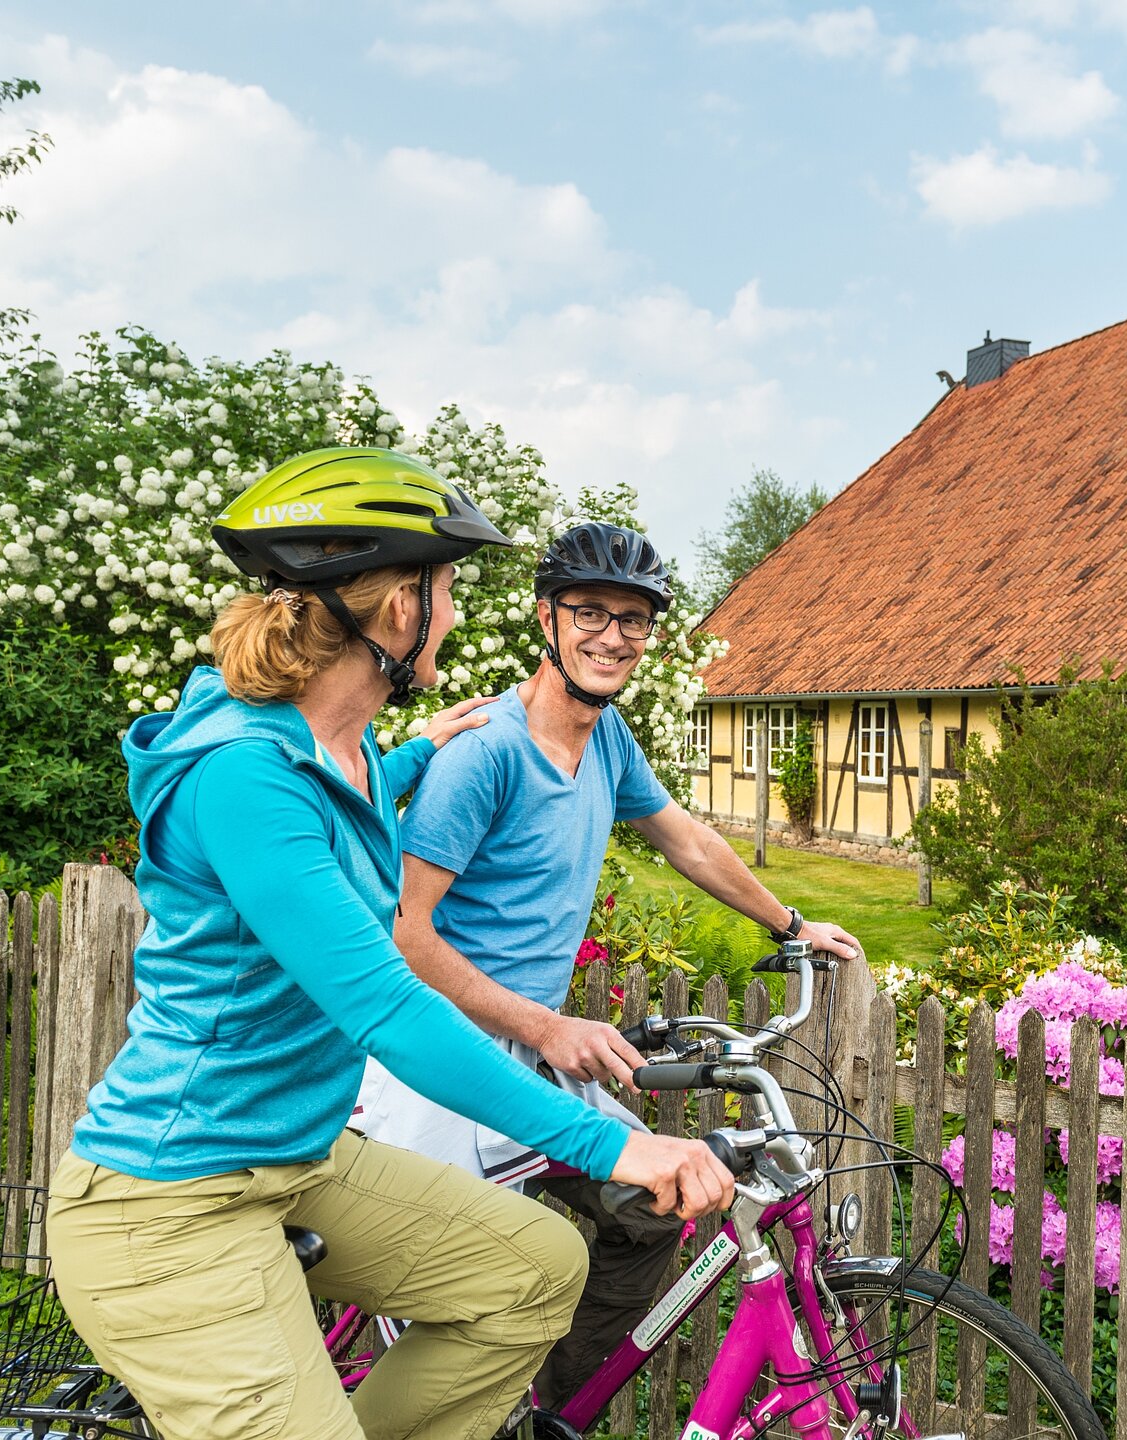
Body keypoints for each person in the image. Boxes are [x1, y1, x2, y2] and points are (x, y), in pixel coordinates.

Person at [45, 449, 735, 1440]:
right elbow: (385, 1005)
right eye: (446, 589)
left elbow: (339, 796)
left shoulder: (349, 749)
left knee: (537, 1270)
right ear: (395, 610)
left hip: (296, 1153)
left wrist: (415, 753)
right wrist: (615, 1142)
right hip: (169, 1199)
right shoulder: (244, 777)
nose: (454, 615)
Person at [355, 520, 859, 1406]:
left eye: (633, 619)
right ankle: (441, 1407)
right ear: (546, 618)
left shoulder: (608, 741)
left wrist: (791, 923)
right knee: (459, 1292)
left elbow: (689, 842)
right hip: (438, 1062)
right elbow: (405, 934)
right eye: (590, 611)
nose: (612, 636)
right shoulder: (485, 756)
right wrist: (548, 1026)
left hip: (531, 1064)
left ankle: (547, 1411)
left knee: (655, 1203)